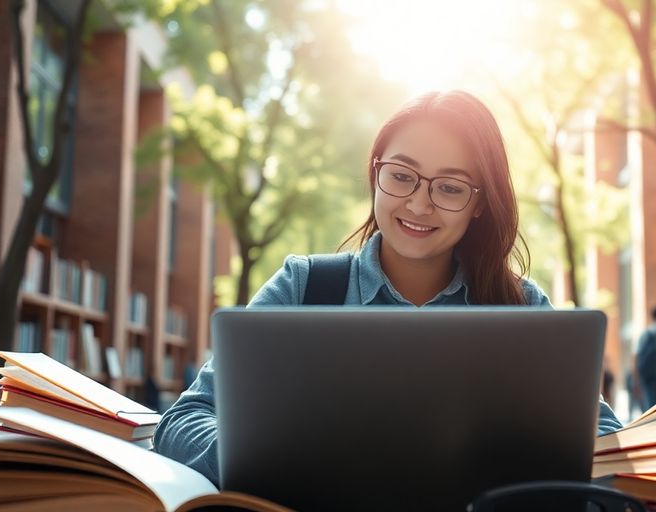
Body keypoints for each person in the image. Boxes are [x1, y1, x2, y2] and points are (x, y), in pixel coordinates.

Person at [152, 91, 623, 484]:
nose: (419, 204)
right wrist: (292, 459)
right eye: (401, 176)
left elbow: (603, 433)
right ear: (376, 174)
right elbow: (182, 421)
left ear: (481, 204)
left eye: (451, 188)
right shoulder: (304, 287)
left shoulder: (521, 307)